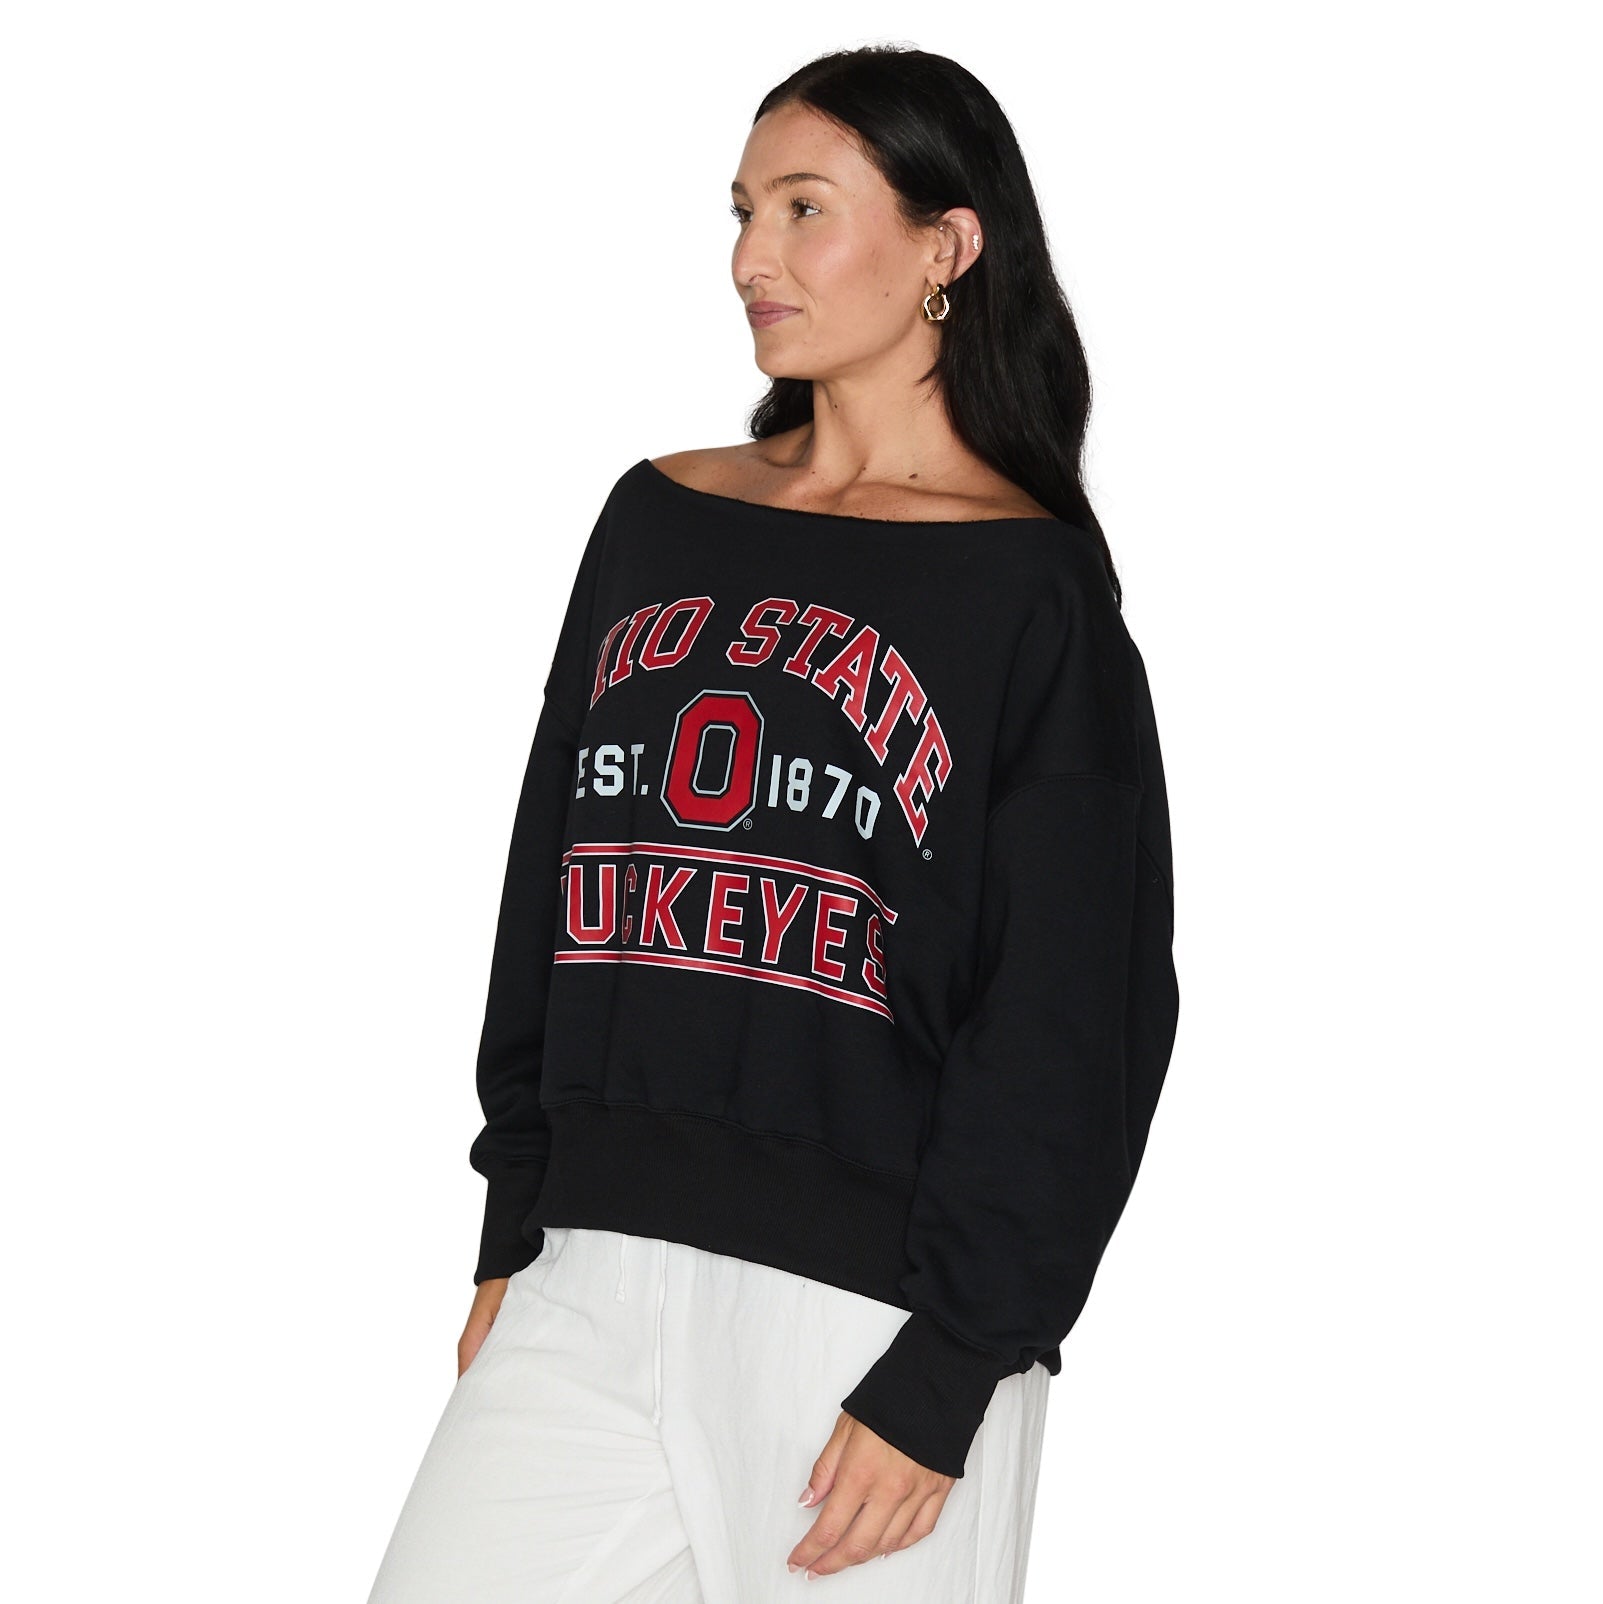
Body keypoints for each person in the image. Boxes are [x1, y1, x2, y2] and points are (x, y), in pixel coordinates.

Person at [366, 42, 1180, 1604]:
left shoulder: (1030, 593)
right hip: (589, 1270)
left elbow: (1076, 1015)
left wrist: (950, 1363)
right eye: (743, 211)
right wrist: (518, 1216)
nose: (754, 257)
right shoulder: (658, 516)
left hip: (869, 1318)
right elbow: (551, 873)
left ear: (947, 246)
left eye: (807, 209)